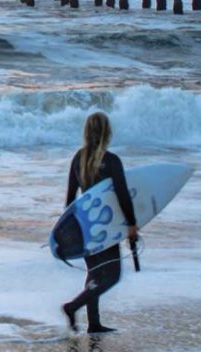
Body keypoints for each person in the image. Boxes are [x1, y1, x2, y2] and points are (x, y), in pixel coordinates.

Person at [61, 112, 138, 335]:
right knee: (112, 276)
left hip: (85, 226)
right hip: (107, 226)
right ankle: (72, 306)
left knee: (95, 274)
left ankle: (93, 324)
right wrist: (131, 224)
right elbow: (123, 195)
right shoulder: (112, 160)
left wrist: (68, 232)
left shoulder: (78, 159)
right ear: (107, 132)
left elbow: (69, 201)